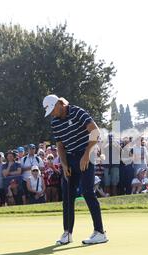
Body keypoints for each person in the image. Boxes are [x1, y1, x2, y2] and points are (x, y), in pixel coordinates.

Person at [44, 94, 107, 245]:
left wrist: (86, 155)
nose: (52, 113)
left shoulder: (77, 112)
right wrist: (64, 165)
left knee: (87, 192)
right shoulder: (55, 123)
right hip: (70, 159)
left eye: (53, 109)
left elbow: (95, 132)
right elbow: (60, 145)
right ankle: (67, 233)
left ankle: (100, 232)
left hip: (87, 153)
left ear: (60, 104)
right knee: (67, 196)